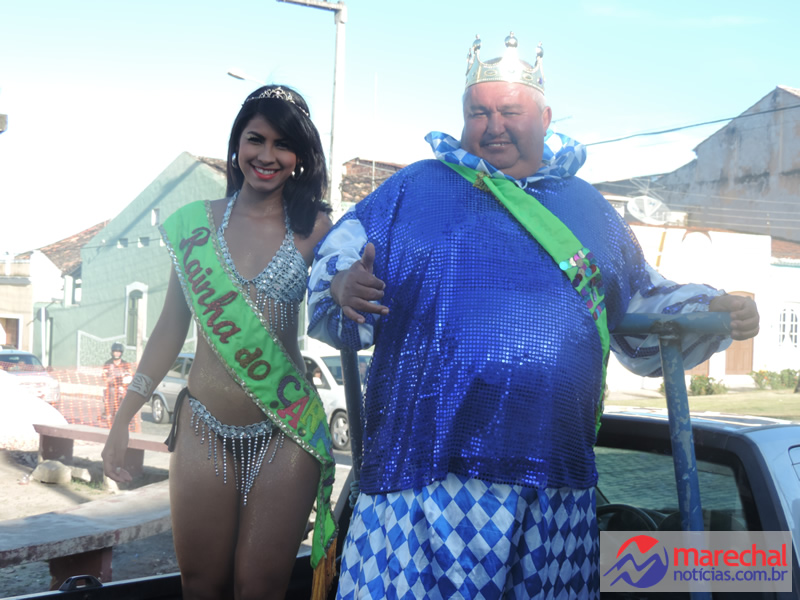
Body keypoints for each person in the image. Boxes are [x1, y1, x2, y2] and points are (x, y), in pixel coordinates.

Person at [308, 34, 760, 599]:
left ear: (544, 118)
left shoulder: (589, 208)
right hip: (422, 478)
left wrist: (710, 307)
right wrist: (340, 284)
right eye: (479, 112)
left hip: (554, 487)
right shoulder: (411, 189)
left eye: (510, 111)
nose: (493, 126)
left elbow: (642, 300)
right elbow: (338, 263)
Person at [102, 85, 338, 600]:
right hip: (202, 427)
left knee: (260, 588)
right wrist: (125, 416)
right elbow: (170, 328)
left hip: (285, 430)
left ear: (300, 157)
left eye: (283, 144)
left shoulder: (317, 228)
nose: (267, 155)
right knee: (202, 586)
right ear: (236, 145)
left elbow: (337, 306)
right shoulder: (195, 224)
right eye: (256, 139)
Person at [101, 342, 132, 424]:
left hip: (123, 386)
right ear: (112, 352)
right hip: (111, 386)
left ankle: (126, 416)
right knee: (111, 392)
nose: (117, 354)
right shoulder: (108, 363)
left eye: (118, 352)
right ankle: (109, 414)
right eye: (115, 352)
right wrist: (110, 379)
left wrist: (125, 378)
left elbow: (130, 375)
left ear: (121, 353)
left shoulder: (125, 364)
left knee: (127, 395)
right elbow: (104, 376)